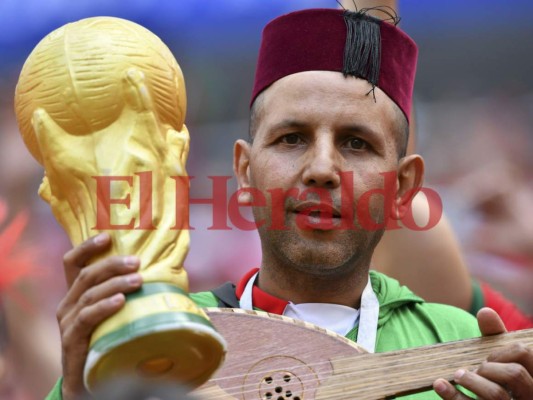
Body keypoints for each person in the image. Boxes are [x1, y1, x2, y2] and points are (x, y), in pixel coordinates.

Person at [45, 7, 532, 400]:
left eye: (356, 143)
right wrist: (78, 392)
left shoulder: (467, 350)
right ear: (243, 171)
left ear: (404, 186)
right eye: (292, 138)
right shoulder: (159, 344)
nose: (322, 168)